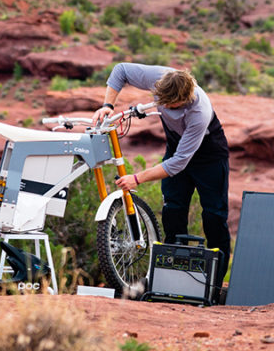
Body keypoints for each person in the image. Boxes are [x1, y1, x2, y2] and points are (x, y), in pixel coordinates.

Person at [92, 62, 231, 290]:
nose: (162, 105)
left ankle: (215, 284)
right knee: (173, 210)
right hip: (177, 147)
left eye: (168, 104)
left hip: (209, 156)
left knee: (214, 217)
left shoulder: (199, 112)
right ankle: (174, 279)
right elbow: (121, 70)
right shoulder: (161, 78)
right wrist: (108, 104)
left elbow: (177, 164)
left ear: (183, 100)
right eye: (159, 99)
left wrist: (137, 179)